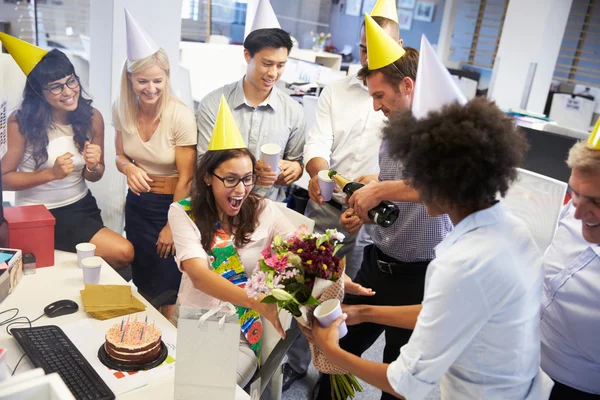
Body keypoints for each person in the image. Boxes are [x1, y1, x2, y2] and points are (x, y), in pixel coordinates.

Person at [308, 98, 550, 400]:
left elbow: (404, 383)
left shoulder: (461, 263)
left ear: (439, 182)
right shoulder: (513, 230)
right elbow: (445, 312)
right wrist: (364, 312)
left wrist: (332, 351)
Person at [313, 17, 453, 400]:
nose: (376, 107)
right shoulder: (393, 131)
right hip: (378, 263)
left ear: (407, 86)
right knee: (337, 349)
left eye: (380, 96)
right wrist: (366, 201)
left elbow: (438, 192)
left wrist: (381, 189)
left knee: (400, 371)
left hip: (421, 274)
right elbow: (393, 181)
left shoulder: (442, 134)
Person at [283, 4, 401, 390]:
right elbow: (318, 143)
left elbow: (398, 171)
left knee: (351, 299)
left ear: (397, 45)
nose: (368, 57)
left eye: (377, 48)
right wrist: (317, 172)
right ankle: (298, 364)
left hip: (375, 217)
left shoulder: (401, 100)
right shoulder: (337, 90)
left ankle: (336, 375)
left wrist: (369, 199)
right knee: (311, 289)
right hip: (329, 207)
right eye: (364, 48)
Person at [169, 96, 292, 387]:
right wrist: (259, 303)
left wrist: (337, 276)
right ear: (208, 178)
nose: (240, 190)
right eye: (230, 179)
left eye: (247, 179)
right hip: (190, 322)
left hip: (240, 331)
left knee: (210, 392)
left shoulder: (265, 210)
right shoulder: (182, 212)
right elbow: (198, 276)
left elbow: (302, 248)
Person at [0, 33, 134, 270]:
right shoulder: (20, 122)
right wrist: (50, 174)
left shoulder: (92, 118)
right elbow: (4, 179)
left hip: (82, 206)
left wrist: (94, 166)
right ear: (39, 92)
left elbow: (95, 175)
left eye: (71, 81)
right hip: (39, 213)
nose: (68, 91)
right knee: (121, 253)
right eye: (55, 87)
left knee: (110, 260)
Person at [113, 10, 197, 317]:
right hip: (137, 205)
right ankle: (146, 345)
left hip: (171, 206)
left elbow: (187, 178)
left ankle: (171, 353)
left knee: (169, 290)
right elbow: (120, 156)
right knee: (144, 281)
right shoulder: (121, 109)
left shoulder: (181, 116)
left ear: (167, 78)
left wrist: (172, 226)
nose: (151, 89)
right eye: (142, 81)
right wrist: (129, 168)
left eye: (158, 81)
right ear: (130, 80)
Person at [196, 27, 305, 201]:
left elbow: (296, 161)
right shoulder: (214, 103)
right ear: (247, 55)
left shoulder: (294, 111)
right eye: (267, 64)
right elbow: (203, 162)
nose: (273, 73)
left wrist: (293, 170)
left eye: (280, 65)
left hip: (269, 208)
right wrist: (252, 172)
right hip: (219, 206)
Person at [540, 122, 600, 399]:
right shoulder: (576, 210)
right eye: (575, 193)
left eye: (597, 203)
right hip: (526, 365)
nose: (577, 216)